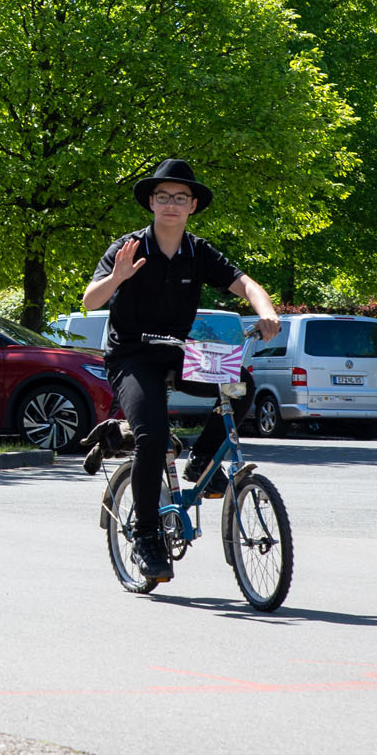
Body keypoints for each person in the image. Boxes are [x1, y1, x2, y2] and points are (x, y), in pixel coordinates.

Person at [80, 159, 279, 584]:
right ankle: (146, 534)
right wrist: (116, 278)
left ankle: (202, 463)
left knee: (241, 386)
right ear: (152, 202)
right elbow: (90, 302)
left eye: (181, 198)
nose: (172, 204)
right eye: (164, 197)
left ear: (192, 207)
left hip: (180, 353)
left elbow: (245, 284)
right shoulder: (129, 247)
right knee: (152, 436)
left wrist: (267, 312)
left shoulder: (197, 252)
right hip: (131, 357)